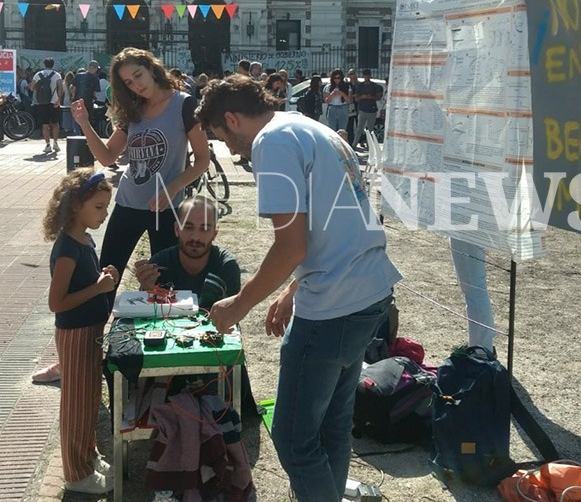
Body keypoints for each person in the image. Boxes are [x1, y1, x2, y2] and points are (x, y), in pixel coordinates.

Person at [195, 75, 402, 502]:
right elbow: (334, 223)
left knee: (292, 436)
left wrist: (238, 304)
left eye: (221, 136)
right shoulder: (309, 127)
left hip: (334, 304)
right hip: (367, 291)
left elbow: (291, 245)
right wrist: (292, 288)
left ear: (232, 118)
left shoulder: (272, 143)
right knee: (332, 425)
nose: (229, 150)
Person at [70, 47, 210, 305]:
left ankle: (163, 336)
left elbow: (203, 159)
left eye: (138, 75)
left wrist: (172, 188)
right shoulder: (133, 110)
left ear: (152, 68)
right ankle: (94, 336)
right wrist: (84, 124)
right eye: (128, 82)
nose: (136, 85)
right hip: (128, 203)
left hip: (167, 208)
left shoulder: (184, 104)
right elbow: (108, 156)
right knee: (107, 276)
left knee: (166, 285)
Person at [133, 195, 256, 413]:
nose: (195, 236)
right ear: (176, 229)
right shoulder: (159, 263)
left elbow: (231, 323)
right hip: (170, 354)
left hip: (213, 354)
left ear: (215, 233)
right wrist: (146, 289)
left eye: (205, 228)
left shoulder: (226, 267)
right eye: (188, 227)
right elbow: (146, 319)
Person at [42, 168, 118, 494]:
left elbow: (84, 282)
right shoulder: (67, 250)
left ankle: (88, 456)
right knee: (75, 405)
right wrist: (98, 288)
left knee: (88, 401)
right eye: (99, 207)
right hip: (75, 335)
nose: (104, 214)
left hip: (90, 332)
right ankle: (75, 473)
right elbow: (57, 302)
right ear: (76, 205)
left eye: (106, 207)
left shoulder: (84, 238)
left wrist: (100, 276)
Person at [449, 237, 496, 353]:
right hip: (468, 227)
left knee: (474, 290)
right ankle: (480, 345)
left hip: (468, 228)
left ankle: (481, 348)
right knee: (473, 289)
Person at [30, 57, 63, 154]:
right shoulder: (57, 75)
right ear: (53, 65)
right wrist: (59, 100)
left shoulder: (38, 74)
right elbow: (60, 88)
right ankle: (55, 143)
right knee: (55, 123)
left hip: (42, 102)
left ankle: (47, 144)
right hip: (54, 102)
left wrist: (40, 90)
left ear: (44, 65)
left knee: (45, 124)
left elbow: (31, 87)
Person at [351, 69, 381, 150]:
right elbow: (356, 98)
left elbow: (378, 97)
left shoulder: (374, 86)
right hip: (362, 109)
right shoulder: (360, 86)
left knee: (370, 130)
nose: (366, 77)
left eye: (368, 75)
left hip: (372, 110)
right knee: (359, 128)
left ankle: (369, 146)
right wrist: (362, 97)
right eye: (365, 75)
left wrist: (371, 97)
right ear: (363, 76)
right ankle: (354, 145)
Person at [71, 60, 101, 130]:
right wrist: (94, 99)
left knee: (77, 118)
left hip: (77, 101)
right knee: (87, 119)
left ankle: (77, 134)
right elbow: (94, 92)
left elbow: (74, 89)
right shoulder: (95, 78)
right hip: (88, 102)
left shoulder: (79, 75)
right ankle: (85, 134)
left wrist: (73, 98)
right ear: (94, 68)